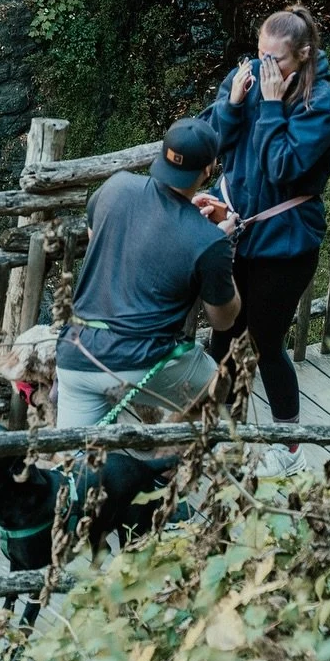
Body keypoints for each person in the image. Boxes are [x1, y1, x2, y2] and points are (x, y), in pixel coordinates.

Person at [0, 332, 179, 627]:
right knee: (46, 470)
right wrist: (39, 395)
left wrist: (39, 394)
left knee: (45, 472)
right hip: (83, 408)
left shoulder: (61, 358)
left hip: (90, 440)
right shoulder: (69, 360)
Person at [200, 4, 330, 460]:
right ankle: (215, 432)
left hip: (285, 244)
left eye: (275, 59)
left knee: (266, 342)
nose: (264, 66)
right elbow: (211, 141)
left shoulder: (321, 103)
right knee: (224, 335)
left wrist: (267, 105)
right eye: (260, 54)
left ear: (303, 54)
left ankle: (289, 447)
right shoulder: (246, 77)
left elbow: (283, 167)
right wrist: (233, 104)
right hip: (235, 232)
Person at [54, 117, 240, 428]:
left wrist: (179, 215)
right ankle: (168, 454)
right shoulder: (209, 241)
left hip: (76, 353)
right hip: (139, 364)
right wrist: (224, 246)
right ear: (209, 168)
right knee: (216, 387)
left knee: (73, 454)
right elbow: (223, 320)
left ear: (162, 155)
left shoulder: (115, 187)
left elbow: (96, 236)